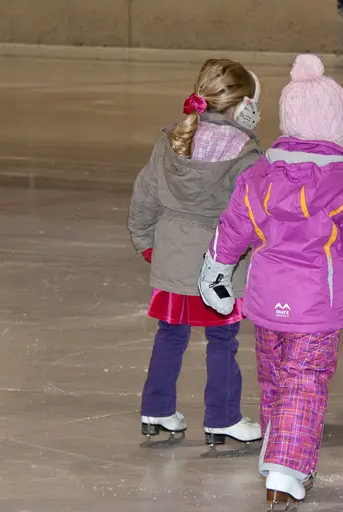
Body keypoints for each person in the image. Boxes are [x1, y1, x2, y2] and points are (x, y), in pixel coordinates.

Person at [198, 54, 343, 512]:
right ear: (337, 123)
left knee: (275, 380)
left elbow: (232, 230)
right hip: (317, 309)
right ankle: (285, 470)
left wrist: (216, 269)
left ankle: (280, 453)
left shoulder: (260, 174)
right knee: (304, 383)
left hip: (266, 302)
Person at [127, 59, 264, 452]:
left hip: (170, 256)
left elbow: (145, 195)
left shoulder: (173, 139)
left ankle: (156, 409)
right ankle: (223, 418)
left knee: (170, 335)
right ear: (244, 106)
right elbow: (252, 215)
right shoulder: (248, 155)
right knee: (222, 340)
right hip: (218, 266)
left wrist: (145, 241)